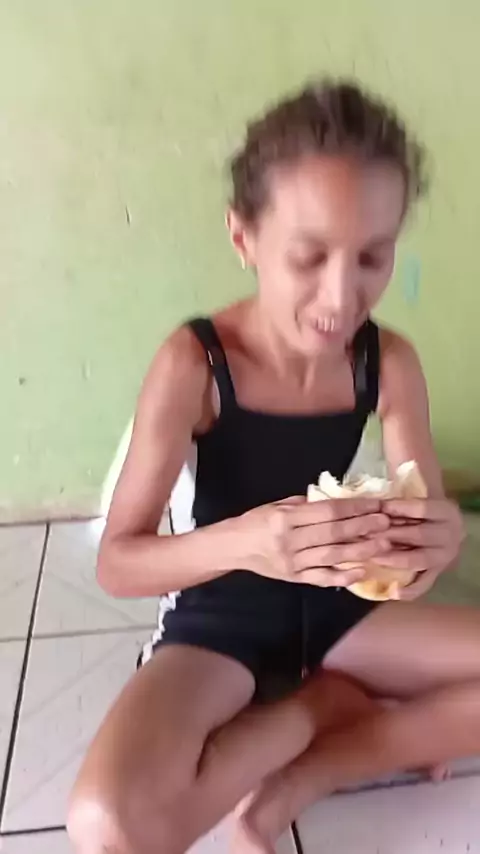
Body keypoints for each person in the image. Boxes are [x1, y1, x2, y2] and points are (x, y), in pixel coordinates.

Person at [67, 80, 476, 854]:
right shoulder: (194, 364)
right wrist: (252, 542)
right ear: (244, 237)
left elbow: (417, 538)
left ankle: (314, 771)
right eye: (308, 257)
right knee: (110, 824)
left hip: (342, 605)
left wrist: (435, 542)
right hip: (223, 612)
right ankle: (320, 710)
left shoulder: (388, 362)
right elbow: (119, 562)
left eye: (373, 257)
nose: (342, 296)